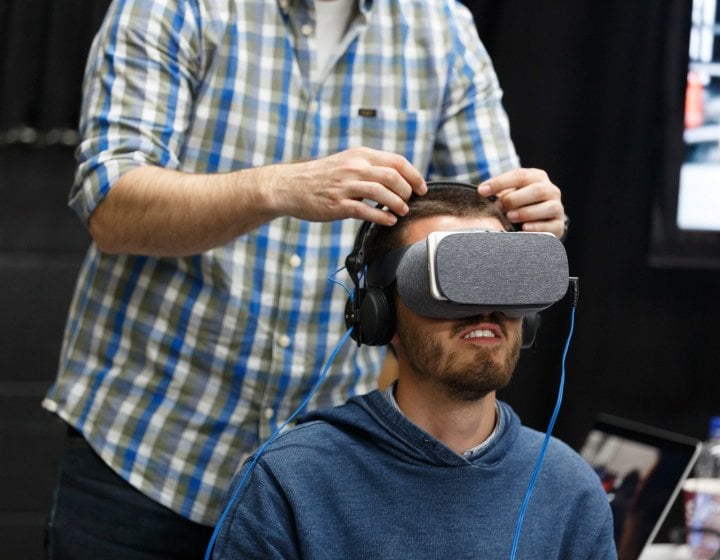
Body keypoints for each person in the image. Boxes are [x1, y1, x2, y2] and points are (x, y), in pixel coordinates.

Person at [43, 0, 567, 557]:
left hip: (325, 482)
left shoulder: (442, 27)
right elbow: (110, 208)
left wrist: (532, 225)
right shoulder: (174, 8)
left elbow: (491, 228)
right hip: (146, 452)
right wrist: (277, 189)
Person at [211, 185, 616, 559]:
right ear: (379, 315)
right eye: (449, 280)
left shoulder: (568, 487)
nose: (484, 308)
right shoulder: (289, 482)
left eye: (499, 275)